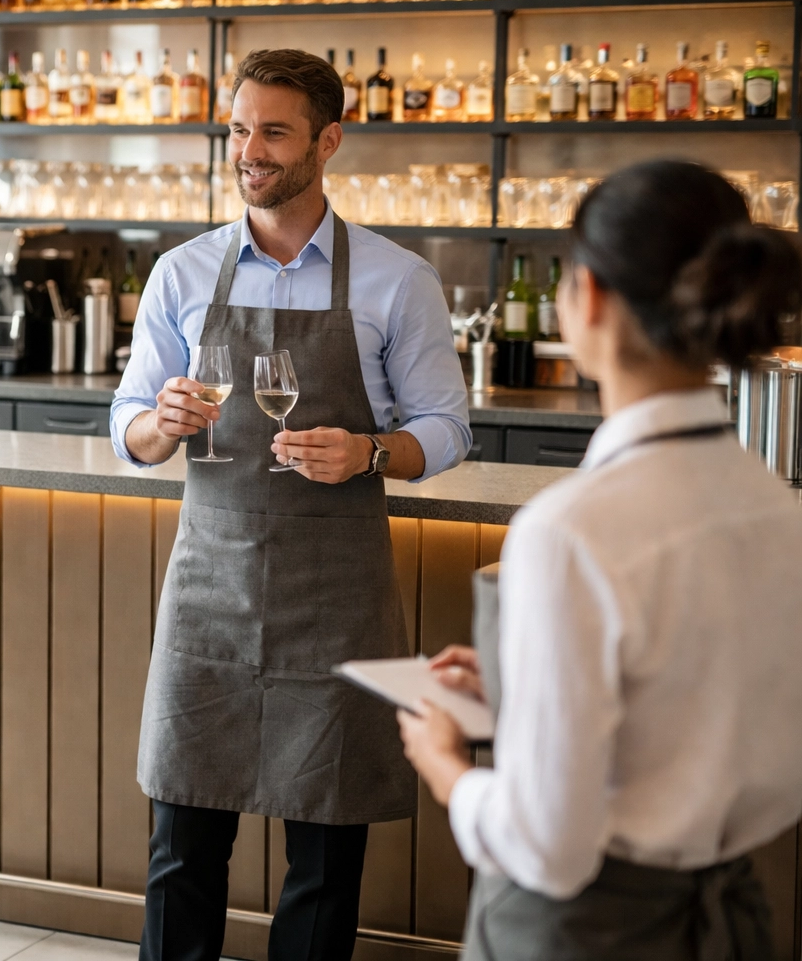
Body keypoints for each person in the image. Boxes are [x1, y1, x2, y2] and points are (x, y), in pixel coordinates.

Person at [110, 47, 471, 961]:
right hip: (210, 591)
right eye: (238, 129)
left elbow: (447, 429)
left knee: (322, 851)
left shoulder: (397, 280)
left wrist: (371, 452)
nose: (250, 150)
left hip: (336, 596)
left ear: (329, 141)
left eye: (273, 131)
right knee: (182, 848)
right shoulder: (183, 273)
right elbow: (128, 427)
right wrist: (158, 422)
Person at [398, 160, 802, 960]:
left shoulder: (571, 531)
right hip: (733, 922)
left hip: (584, 933)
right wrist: (528, 681)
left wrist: (446, 768)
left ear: (590, 296)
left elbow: (547, 845)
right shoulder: (772, 504)